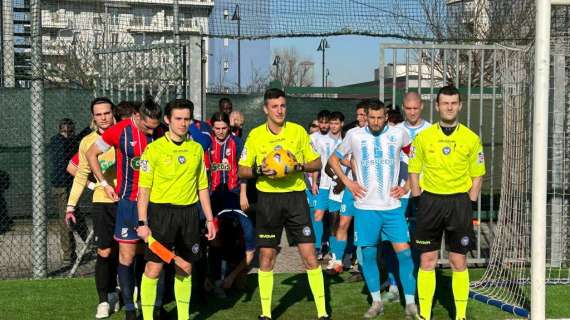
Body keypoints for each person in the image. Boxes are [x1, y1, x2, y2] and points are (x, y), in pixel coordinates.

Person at [238, 88, 329, 320]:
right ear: (266, 109)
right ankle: (266, 313)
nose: (280, 110)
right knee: (267, 257)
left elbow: (316, 163)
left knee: (309, 255)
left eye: (283, 106)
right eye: (275, 106)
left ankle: (322, 313)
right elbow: (242, 169)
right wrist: (259, 170)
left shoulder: (298, 132)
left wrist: (297, 166)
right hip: (268, 200)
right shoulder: (256, 135)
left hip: (296, 198)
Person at [328, 100, 418, 318]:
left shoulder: (399, 134)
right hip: (365, 208)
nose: (376, 122)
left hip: (392, 208)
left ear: (386, 117)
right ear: (365, 117)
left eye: (380, 118)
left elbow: (417, 158)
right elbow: (333, 160)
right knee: (368, 255)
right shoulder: (354, 136)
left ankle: (410, 302)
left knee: (404, 254)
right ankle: (376, 301)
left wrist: (407, 185)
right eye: (372, 118)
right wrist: (349, 184)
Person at [409, 86, 485, 320]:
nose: (449, 107)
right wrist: (418, 199)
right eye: (445, 103)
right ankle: (424, 314)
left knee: (458, 260)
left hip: (458, 204)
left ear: (460, 106)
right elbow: (414, 170)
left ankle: (460, 315)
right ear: (437, 105)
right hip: (429, 202)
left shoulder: (471, 138)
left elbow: (478, 175)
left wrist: (468, 202)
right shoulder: (423, 137)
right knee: (427, 259)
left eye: (453, 103)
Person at [136, 99, 216, 320]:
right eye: (178, 119)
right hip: (161, 214)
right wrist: (142, 222)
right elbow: (143, 190)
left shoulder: (197, 149)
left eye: (186, 119)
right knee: (154, 268)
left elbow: (202, 187)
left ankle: (182, 317)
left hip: (189, 214)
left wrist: (209, 219)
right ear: (167, 120)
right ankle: (148, 317)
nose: (183, 123)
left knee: (186, 268)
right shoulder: (153, 150)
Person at [86, 96, 163, 320]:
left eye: (155, 128)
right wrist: (103, 183)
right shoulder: (119, 131)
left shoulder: (162, 132)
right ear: (137, 117)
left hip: (156, 205)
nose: (151, 132)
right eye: (148, 127)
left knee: (155, 256)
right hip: (128, 204)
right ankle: (130, 309)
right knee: (126, 257)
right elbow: (92, 154)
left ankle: (155, 308)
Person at [64, 97, 120, 318]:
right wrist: (71, 206)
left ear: (113, 112)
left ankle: (124, 291)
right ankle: (103, 300)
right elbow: (78, 175)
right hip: (102, 203)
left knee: (129, 251)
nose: (103, 118)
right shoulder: (87, 142)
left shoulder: (125, 135)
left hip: (127, 202)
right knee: (104, 251)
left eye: (107, 113)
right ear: (93, 117)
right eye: (98, 114)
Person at [207, 111, 254, 295]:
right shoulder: (206, 143)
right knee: (214, 237)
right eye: (217, 128)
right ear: (212, 128)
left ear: (229, 127)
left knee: (237, 233)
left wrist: (243, 194)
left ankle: (232, 275)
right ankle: (213, 278)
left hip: (234, 196)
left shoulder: (236, 142)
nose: (220, 132)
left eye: (224, 128)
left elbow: (243, 170)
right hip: (213, 197)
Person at [48, 118, 78, 265]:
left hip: (70, 185)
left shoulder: (70, 142)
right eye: (65, 131)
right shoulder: (58, 142)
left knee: (75, 216)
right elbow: (64, 149)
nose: (68, 134)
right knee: (66, 220)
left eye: (70, 132)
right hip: (62, 186)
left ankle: (89, 243)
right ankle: (68, 254)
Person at [309, 109, 333, 258]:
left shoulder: (339, 137)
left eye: (326, 122)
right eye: (321, 122)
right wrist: (314, 181)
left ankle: (333, 247)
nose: (324, 125)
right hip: (320, 183)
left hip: (336, 184)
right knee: (318, 215)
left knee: (335, 217)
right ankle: (317, 247)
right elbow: (312, 161)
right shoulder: (311, 138)